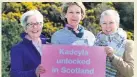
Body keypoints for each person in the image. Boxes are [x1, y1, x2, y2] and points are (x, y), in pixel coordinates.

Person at [94, 9, 134, 77]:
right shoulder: (95, 43)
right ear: (101, 25)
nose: (107, 26)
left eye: (111, 22)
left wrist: (113, 57)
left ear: (117, 24)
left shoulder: (128, 44)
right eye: (104, 23)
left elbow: (131, 72)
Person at [10, 10, 46, 77]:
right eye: (30, 24)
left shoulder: (50, 45)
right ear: (25, 28)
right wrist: (34, 73)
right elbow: (15, 75)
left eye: (38, 23)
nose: (35, 27)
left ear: (42, 25)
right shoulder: (18, 49)